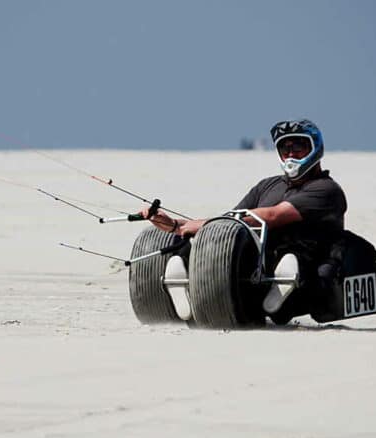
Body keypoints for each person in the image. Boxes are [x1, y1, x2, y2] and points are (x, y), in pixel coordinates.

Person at [140, 119, 347, 322]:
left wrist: (196, 225)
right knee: (211, 243)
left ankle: (282, 286)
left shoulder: (326, 189)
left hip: (309, 273)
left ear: (315, 148)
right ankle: (184, 284)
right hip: (258, 267)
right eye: (285, 149)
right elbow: (229, 222)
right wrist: (173, 224)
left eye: (299, 147)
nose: (291, 154)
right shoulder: (267, 186)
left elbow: (273, 216)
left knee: (291, 259)